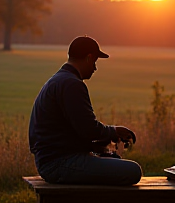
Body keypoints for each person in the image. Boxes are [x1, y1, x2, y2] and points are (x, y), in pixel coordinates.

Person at [29, 36, 142, 185]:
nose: (95, 68)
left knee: (113, 160)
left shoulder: (58, 80)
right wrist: (113, 132)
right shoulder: (72, 84)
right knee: (133, 171)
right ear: (89, 58)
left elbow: (73, 131)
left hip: (50, 161)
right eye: (95, 61)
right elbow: (88, 129)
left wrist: (97, 147)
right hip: (59, 164)